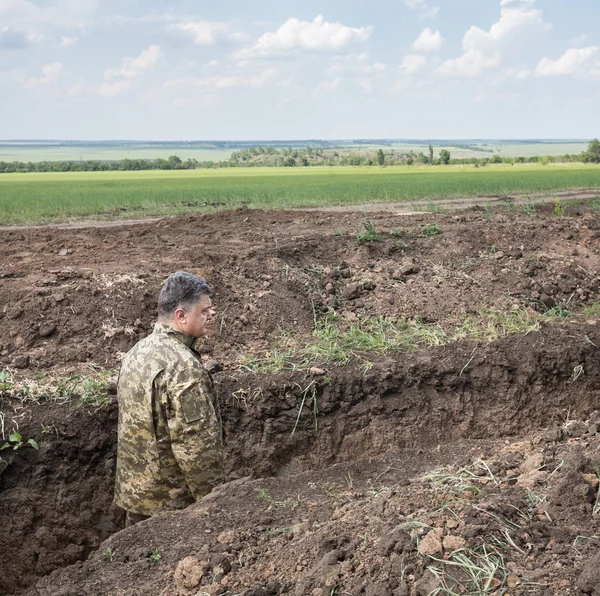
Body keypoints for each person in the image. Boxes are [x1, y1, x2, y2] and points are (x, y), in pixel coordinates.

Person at [114, 272, 224, 526]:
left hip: (134, 499)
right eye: (204, 310)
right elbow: (196, 446)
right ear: (181, 316)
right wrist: (216, 502)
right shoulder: (183, 367)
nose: (211, 315)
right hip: (173, 509)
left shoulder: (136, 352)